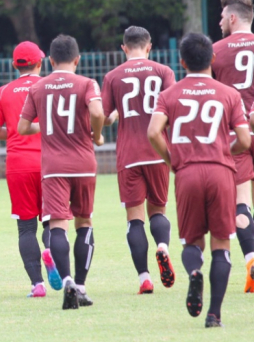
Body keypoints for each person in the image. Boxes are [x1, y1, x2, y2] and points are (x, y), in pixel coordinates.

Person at [148, 33, 251, 328]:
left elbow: (153, 132)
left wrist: (172, 160)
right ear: (213, 60)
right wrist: (224, 151)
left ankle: (195, 273)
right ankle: (214, 314)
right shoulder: (229, 94)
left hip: (187, 172)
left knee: (192, 242)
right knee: (221, 244)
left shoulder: (169, 95)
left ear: (181, 62)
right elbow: (244, 140)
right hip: (221, 172)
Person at [18, 34, 105, 310]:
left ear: (51, 60)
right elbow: (98, 111)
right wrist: (97, 134)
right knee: (85, 222)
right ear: (77, 60)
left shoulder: (39, 88)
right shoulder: (87, 83)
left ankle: (66, 280)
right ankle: (81, 284)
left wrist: (46, 128)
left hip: (53, 166)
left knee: (57, 225)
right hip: (83, 163)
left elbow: (21, 128)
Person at [101, 26, 176, 294]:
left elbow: (105, 115)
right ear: (149, 46)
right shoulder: (163, 72)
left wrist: (112, 119)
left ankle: (144, 277)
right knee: (158, 210)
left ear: (123, 48)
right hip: (158, 151)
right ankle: (163, 247)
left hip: (129, 155)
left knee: (135, 219)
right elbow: (173, 110)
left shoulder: (112, 76)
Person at [0, 41, 62, 298]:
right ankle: (51, 250)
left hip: (18, 165)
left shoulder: (3, 92)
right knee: (53, 222)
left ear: (14, 65)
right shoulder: (51, 86)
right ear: (41, 62)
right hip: (50, 163)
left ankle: (37, 284)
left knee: (26, 228)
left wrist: (17, 131)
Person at [212, 0, 254, 293]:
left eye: (222, 16)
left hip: (234, 134)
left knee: (241, 203)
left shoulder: (215, 51)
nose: (219, 21)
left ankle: (252, 262)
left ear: (233, 18)